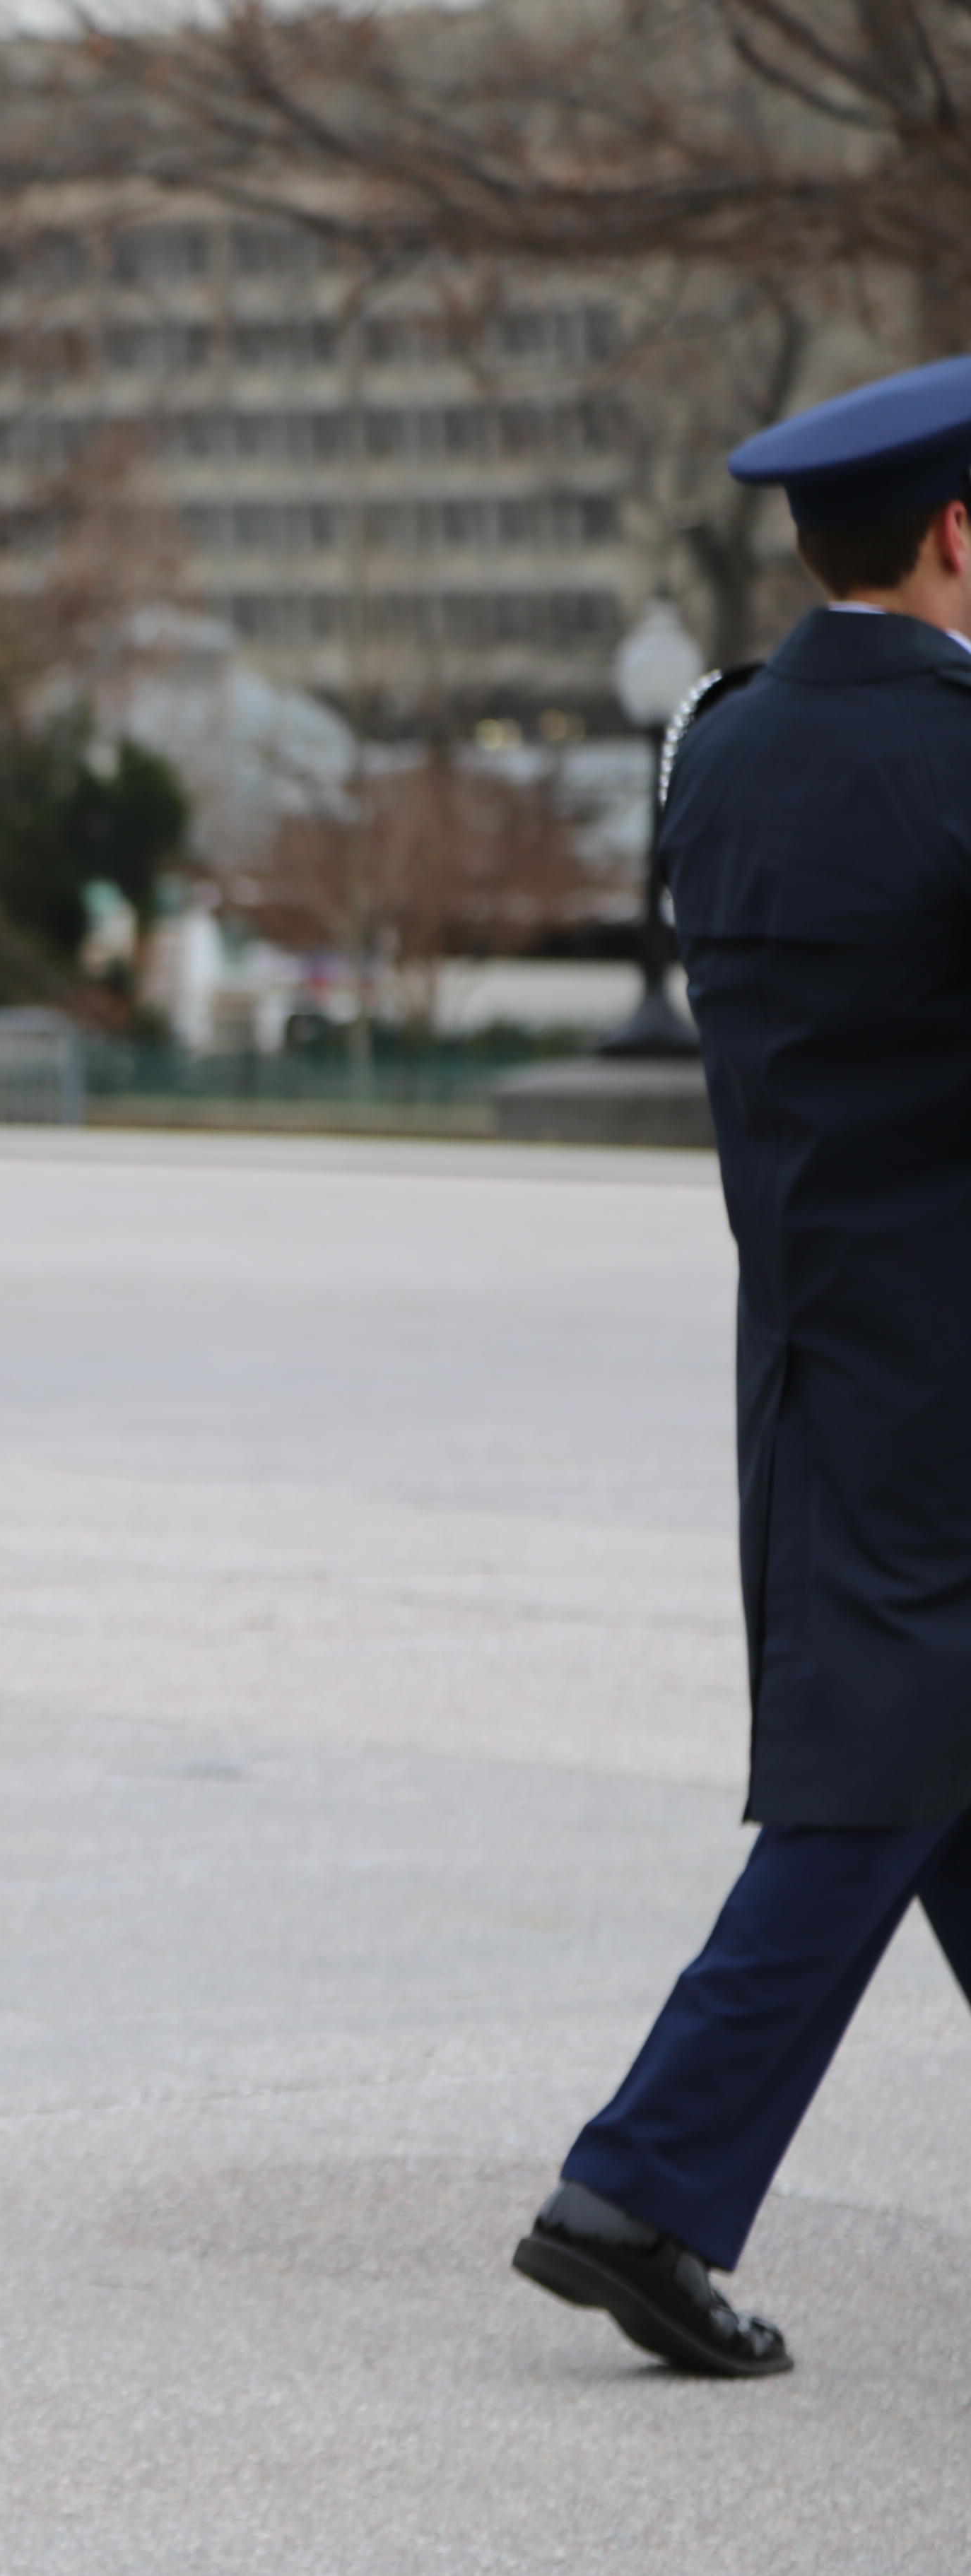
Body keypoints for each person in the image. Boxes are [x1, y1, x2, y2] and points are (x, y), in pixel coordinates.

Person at [512, 355, 971, 2378]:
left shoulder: (720, 744)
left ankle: (655, 2178)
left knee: (935, 1747)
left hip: (803, 1342)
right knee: (876, 1778)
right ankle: (645, 2179)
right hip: (956, 1363)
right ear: (957, 533)